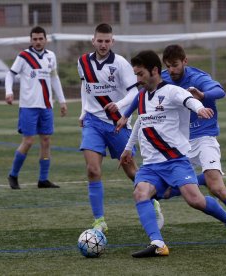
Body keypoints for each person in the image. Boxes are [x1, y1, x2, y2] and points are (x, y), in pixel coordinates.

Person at [120, 50, 226, 258]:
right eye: (136, 74)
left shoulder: (172, 91)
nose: (138, 79)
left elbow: (189, 99)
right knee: (140, 193)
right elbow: (141, 121)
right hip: (151, 165)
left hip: (175, 161)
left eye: (140, 74)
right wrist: (128, 148)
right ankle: (158, 243)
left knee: (195, 200)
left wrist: (199, 109)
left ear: (154, 71)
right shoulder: (143, 95)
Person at [160, 44, 226, 244]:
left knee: (217, 187)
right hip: (180, 143)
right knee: (163, 190)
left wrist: (203, 95)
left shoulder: (198, 78)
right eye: (168, 66)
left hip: (204, 138)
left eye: (175, 65)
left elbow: (219, 90)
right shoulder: (163, 78)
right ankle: (162, 199)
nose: (172, 70)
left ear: (185, 62)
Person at [77, 23, 143, 234]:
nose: (103, 44)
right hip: (93, 121)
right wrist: (82, 111)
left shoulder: (121, 64)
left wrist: (120, 106)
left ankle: (150, 199)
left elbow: (135, 93)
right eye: (100, 40)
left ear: (112, 42)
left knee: (131, 171)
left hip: (117, 122)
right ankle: (99, 220)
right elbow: (85, 87)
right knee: (92, 170)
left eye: (107, 41)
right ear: (93, 40)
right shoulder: (83, 62)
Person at [5, 26, 67, 189]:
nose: (38, 42)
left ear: (45, 40)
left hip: (46, 106)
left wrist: (62, 101)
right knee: (28, 141)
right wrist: (9, 91)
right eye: (35, 39)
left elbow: (54, 78)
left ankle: (43, 179)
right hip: (28, 106)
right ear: (31, 40)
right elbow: (10, 74)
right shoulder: (24, 56)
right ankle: (13, 175)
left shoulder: (51, 56)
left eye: (41, 39)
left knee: (46, 140)